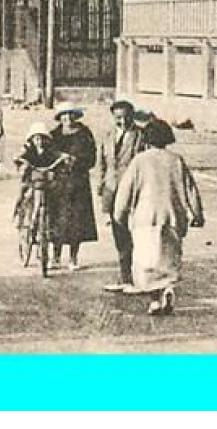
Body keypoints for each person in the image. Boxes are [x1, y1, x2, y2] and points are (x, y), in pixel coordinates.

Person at [112, 119, 204, 315]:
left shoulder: (139, 161)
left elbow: (125, 192)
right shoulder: (176, 160)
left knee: (147, 262)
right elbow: (190, 189)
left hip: (145, 218)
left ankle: (155, 300)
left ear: (146, 139)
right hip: (173, 216)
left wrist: (119, 214)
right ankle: (168, 289)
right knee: (169, 258)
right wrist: (197, 214)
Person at [96, 100, 143, 292]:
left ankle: (136, 275)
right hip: (112, 188)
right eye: (118, 118)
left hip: (132, 189)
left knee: (135, 233)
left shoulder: (140, 135)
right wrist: (100, 185)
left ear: (132, 116)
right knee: (119, 233)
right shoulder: (107, 135)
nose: (122, 122)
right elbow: (102, 162)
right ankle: (125, 275)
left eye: (125, 117)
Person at [49, 105, 99, 270]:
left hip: (78, 182)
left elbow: (91, 158)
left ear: (76, 116)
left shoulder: (84, 134)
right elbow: (47, 154)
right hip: (58, 183)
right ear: (60, 117)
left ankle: (73, 258)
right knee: (58, 218)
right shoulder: (54, 135)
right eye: (64, 115)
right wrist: (59, 158)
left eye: (71, 115)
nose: (67, 119)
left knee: (77, 220)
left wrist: (76, 160)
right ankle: (55, 256)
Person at [13, 122, 69, 264]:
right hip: (33, 182)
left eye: (42, 138)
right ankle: (19, 214)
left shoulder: (50, 151)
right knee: (24, 194)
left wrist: (64, 158)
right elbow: (21, 157)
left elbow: (58, 156)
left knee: (58, 199)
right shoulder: (29, 151)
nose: (39, 141)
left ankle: (50, 225)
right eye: (36, 139)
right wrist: (20, 161)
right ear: (31, 140)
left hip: (46, 184)